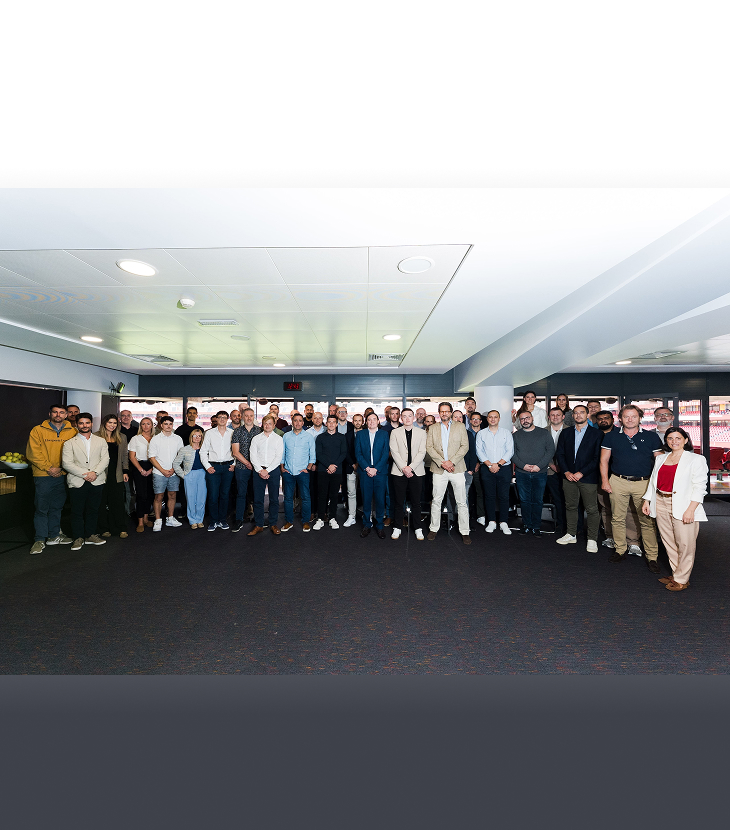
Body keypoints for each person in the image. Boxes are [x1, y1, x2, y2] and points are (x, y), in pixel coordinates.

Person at [641, 427, 708, 591]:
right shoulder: (661, 459)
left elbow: (700, 487)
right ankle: (678, 573)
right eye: (670, 438)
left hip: (684, 505)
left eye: (678, 438)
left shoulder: (696, 459)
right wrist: (647, 500)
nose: (674, 441)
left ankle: (682, 579)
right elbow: (653, 482)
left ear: (685, 440)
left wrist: (691, 509)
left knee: (685, 544)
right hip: (661, 502)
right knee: (669, 542)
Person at [600, 404, 663, 571]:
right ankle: (620, 550)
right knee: (617, 518)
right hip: (618, 481)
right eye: (626, 416)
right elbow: (604, 460)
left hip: (644, 483)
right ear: (620, 418)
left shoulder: (652, 437)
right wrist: (605, 481)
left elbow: (660, 463)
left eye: (633, 416)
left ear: (640, 418)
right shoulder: (611, 436)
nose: (630, 419)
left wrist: (656, 486)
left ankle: (652, 557)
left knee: (647, 521)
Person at [26, 404, 76, 554]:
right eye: (55, 412)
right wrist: (49, 468)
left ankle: (54, 536)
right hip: (43, 475)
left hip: (63, 475)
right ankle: (39, 539)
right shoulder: (38, 430)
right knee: (42, 508)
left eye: (61, 412)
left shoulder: (72, 431)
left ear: (66, 415)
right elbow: (33, 453)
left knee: (57, 507)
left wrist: (62, 469)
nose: (58, 415)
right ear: (50, 414)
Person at [595, 410, 643, 555]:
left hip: (623, 478)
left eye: (606, 418)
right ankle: (611, 537)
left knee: (630, 510)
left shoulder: (620, 434)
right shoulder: (596, 434)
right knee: (606, 508)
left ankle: (632, 541)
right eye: (600, 419)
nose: (603, 421)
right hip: (602, 478)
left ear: (614, 419)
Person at [555, 405, 603, 551]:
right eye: (575, 413)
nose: (578, 415)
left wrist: (581, 472)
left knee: (592, 509)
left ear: (587, 414)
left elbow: (597, 458)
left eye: (581, 412)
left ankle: (592, 539)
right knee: (570, 506)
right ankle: (571, 534)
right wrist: (566, 472)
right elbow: (560, 455)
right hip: (568, 477)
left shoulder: (597, 434)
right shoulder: (566, 433)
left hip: (588, 477)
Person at [61, 413, 109, 550]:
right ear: (76, 424)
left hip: (97, 480)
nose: (84, 426)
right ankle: (78, 537)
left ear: (91, 424)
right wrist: (85, 474)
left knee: (93, 510)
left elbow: (105, 459)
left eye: (87, 423)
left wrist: (95, 473)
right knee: (77, 511)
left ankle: (90, 535)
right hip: (77, 481)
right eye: (81, 423)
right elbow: (67, 463)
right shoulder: (69, 443)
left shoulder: (101, 441)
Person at [426, 402, 471, 544]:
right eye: (442, 411)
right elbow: (429, 447)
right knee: (436, 501)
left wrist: (451, 462)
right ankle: (433, 529)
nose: (444, 413)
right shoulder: (432, 428)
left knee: (461, 502)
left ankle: (465, 531)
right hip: (439, 469)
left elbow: (465, 446)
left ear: (451, 412)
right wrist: (443, 463)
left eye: (447, 411)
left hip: (456, 468)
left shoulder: (460, 426)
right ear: (439, 413)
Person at [512, 411, 554, 535]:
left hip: (540, 472)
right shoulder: (516, 435)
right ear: (519, 421)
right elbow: (512, 453)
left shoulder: (544, 433)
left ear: (532, 418)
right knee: (524, 500)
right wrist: (523, 466)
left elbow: (550, 451)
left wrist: (538, 466)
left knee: (537, 500)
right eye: (522, 419)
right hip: (521, 473)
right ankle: (526, 525)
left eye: (527, 418)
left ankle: (536, 526)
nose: (525, 421)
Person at [390, 408, 427, 540]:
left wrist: (410, 468)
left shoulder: (422, 433)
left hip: (416, 472)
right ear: (401, 418)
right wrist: (404, 468)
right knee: (399, 502)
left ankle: (417, 528)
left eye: (409, 416)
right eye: (404, 416)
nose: (407, 419)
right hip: (399, 472)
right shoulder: (394, 432)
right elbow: (394, 452)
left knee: (416, 502)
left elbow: (422, 452)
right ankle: (397, 527)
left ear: (414, 417)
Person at [476, 410, 514, 535]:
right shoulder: (481, 434)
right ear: (487, 419)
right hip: (487, 468)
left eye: (495, 417)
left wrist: (498, 464)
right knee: (489, 496)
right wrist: (490, 464)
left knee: (504, 496)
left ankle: (503, 522)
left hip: (503, 468)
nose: (493, 419)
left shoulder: (506, 433)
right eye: (490, 417)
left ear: (499, 418)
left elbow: (510, 451)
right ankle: (491, 521)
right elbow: (479, 451)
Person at [355, 412, 390, 538]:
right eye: (369, 420)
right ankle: (367, 524)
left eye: (374, 419)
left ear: (378, 421)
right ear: (366, 422)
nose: (371, 422)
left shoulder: (384, 434)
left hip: (380, 472)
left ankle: (379, 525)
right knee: (366, 499)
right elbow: (358, 454)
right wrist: (367, 468)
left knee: (380, 500)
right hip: (365, 472)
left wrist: (376, 469)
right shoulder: (360, 434)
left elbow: (386, 453)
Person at [248, 414, 284, 536]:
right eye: (265, 423)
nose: (267, 425)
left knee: (274, 499)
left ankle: (273, 524)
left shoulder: (279, 439)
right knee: (258, 499)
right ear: (262, 425)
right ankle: (259, 525)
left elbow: (278, 457)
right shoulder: (256, 439)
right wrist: (260, 470)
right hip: (258, 470)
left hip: (273, 471)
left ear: (274, 425)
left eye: (270, 423)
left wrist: (267, 470)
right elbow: (253, 456)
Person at [95, 414, 129, 539]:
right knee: (101, 502)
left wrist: (125, 471)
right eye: (110, 422)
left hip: (117, 473)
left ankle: (121, 527)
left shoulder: (122, 437)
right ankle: (104, 528)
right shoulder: (96, 436)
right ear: (104, 423)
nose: (112, 425)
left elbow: (125, 456)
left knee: (118, 502)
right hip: (100, 474)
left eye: (115, 423)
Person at [200, 410, 235, 532]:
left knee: (225, 496)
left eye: (224, 417)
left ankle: (222, 520)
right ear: (216, 419)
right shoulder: (209, 433)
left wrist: (234, 464)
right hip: (213, 467)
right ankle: (213, 521)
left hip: (228, 467)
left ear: (227, 419)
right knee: (213, 496)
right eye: (219, 417)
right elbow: (203, 451)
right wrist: (207, 466)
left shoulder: (232, 433)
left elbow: (236, 450)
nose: (222, 419)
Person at [280, 413, 316, 532]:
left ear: (303, 422)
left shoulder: (308, 436)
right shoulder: (286, 436)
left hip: (303, 472)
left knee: (305, 497)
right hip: (288, 472)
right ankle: (289, 521)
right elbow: (283, 453)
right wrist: (282, 467)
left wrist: (309, 467)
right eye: (295, 420)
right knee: (288, 498)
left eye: (300, 420)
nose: (298, 423)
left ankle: (305, 521)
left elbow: (313, 454)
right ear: (292, 421)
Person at [148, 416, 184, 532]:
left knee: (172, 495)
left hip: (173, 472)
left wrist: (174, 469)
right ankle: (158, 520)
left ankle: (170, 518)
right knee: (159, 496)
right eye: (166, 424)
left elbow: (180, 455)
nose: (168, 426)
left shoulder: (178, 438)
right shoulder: (155, 439)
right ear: (161, 425)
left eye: (170, 424)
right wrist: (163, 470)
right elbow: (152, 457)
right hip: (159, 473)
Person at [313, 415, 348, 530]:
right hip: (323, 470)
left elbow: (343, 453)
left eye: (334, 422)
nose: (331, 424)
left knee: (334, 496)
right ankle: (320, 519)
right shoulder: (320, 437)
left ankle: (332, 518)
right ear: (326, 424)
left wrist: (334, 466)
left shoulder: (342, 437)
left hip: (337, 471)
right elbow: (319, 454)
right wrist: (328, 465)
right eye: (329, 422)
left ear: (337, 424)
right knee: (322, 495)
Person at [231, 407, 262, 531]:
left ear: (254, 417)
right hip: (241, 468)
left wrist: (254, 464)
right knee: (241, 494)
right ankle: (239, 519)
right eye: (246, 416)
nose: (249, 418)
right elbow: (235, 452)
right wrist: (247, 463)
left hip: (257, 467)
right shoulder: (237, 432)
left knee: (257, 494)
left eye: (251, 415)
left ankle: (258, 519)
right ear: (243, 417)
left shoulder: (260, 431)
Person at [173, 427, 207, 528]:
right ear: (191, 437)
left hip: (202, 474)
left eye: (199, 436)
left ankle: (199, 519)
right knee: (191, 498)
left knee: (201, 499)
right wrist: (183, 475)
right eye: (195, 436)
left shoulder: (204, 450)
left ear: (201, 437)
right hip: (190, 474)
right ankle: (192, 520)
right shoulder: (184, 449)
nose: (197, 438)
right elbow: (176, 464)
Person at [128, 417, 155, 533]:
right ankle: (139, 521)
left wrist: (152, 469)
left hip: (154, 466)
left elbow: (160, 456)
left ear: (151, 426)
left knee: (150, 494)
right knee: (141, 495)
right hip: (139, 466)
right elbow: (132, 456)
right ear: (141, 426)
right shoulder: (136, 439)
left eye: (148, 424)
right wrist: (141, 470)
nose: (145, 426)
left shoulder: (156, 439)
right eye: (143, 424)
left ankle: (146, 518)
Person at [545, 406, 568, 537]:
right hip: (550, 471)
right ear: (549, 417)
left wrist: (562, 467)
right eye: (552, 415)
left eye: (558, 415)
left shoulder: (570, 430)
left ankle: (573, 525)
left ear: (563, 416)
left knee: (570, 500)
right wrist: (552, 465)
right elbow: (541, 451)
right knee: (557, 499)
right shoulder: (543, 431)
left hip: (567, 471)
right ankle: (560, 524)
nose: (555, 417)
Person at [336, 406, 358, 528]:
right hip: (338, 460)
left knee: (351, 486)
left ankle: (350, 506)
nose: (343, 414)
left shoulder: (351, 426)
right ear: (337, 414)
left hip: (352, 462)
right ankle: (344, 504)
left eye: (344, 412)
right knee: (343, 484)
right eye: (340, 412)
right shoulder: (333, 424)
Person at [467, 412, 486, 525]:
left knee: (480, 492)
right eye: (473, 419)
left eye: (477, 419)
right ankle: (467, 516)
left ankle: (481, 515)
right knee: (466, 493)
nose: (475, 421)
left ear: (481, 421)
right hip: (468, 467)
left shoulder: (485, 434)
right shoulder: (466, 433)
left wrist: (479, 463)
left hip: (481, 467)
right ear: (470, 421)